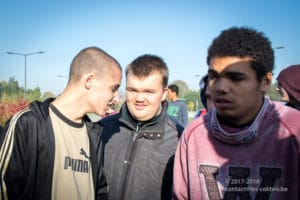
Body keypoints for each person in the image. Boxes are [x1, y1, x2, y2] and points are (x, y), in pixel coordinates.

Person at [173, 27, 300, 199]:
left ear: (265, 81)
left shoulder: (294, 131)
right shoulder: (194, 134)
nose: (220, 88)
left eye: (235, 77)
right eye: (214, 76)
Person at [0, 46, 122, 200]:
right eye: (114, 88)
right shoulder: (28, 124)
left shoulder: (94, 133)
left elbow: (100, 192)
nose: (117, 98)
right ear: (90, 81)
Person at [99, 54, 183, 200]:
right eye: (132, 90)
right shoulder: (101, 129)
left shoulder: (180, 139)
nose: (139, 99)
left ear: (164, 93)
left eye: (149, 92)